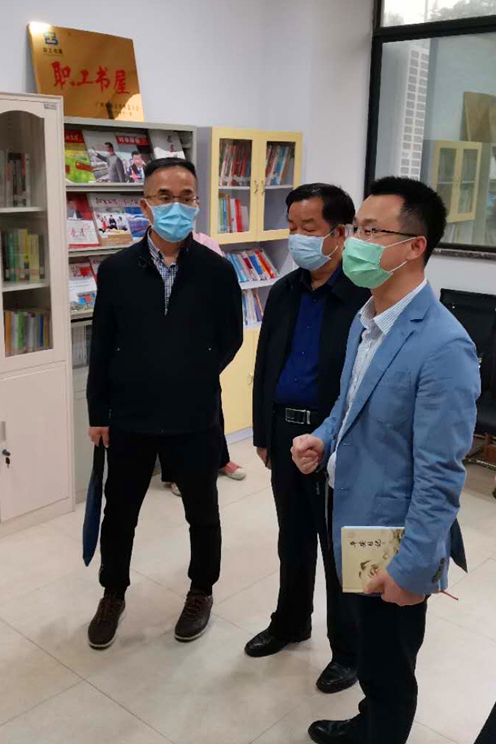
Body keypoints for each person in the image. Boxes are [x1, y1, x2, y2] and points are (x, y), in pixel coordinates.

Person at [291, 177, 480, 744]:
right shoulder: (367, 317)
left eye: (372, 232)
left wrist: (413, 568)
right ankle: (366, 725)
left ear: (414, 246)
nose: (354, 243)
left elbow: (442, 474)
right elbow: (350, 405)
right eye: (356, 229)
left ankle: (381, 731)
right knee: (370, 653)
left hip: (395, 540)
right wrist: (323, 438)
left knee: (392, 668)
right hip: (352, 519)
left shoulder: (444, 346)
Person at [86, 157, 243, 648]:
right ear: (145, 205)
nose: (176, 206)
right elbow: (102, 344)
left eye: (186, 196)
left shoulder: (217, 270)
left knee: (203, 512)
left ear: (197, 203)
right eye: (164, 196)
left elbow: (231, 337)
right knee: (120, 514)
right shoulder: (116, 270)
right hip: (130, 416)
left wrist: (192, 375)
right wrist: (98, 412)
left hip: (195, 415)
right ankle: (113, 593)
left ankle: (201, 591)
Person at [245, 184, 368, 696]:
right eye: (292, 226)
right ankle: (290, 622)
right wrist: (263, 433)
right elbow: (265, 364)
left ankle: (349, 650)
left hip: (336, 434)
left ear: (340, 233)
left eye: (308, 228)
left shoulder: (363, 295)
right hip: (285, 429)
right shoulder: (284, 291)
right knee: (292, 536)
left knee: (338, 546)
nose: (297, 237)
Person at [162, 228, 246, 498]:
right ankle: (175, 473)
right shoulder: (152, 249)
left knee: (213, 407)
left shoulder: (207, 244)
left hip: (202, 344)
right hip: (167, 344)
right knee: (171, 411)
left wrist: (214, 361)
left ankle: (221, 459)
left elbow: (220, 292)